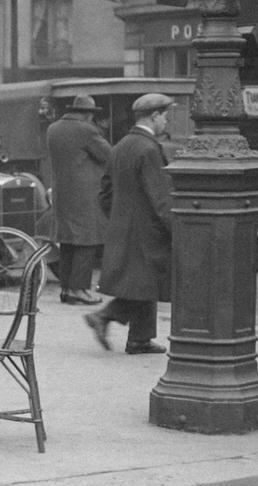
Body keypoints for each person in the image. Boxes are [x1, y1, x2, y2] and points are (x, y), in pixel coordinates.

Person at [84, 93, 175, 356]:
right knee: (146, 282)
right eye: (165, 116)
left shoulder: (122, 145)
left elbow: (105, 193)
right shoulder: (149, 149)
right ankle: (103, 316)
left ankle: (139, 340)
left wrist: (120, 217)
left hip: (125, 228)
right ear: (154, 116)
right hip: (147, 231)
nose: (166, 122)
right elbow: (161, 198)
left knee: (143, 283)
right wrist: (175, 228)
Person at [45, 93, 111, 305]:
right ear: (88, 114)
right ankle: (80, 289)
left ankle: (66, 288)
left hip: (62, 194)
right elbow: (109, 156)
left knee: (67, 242)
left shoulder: (53, 129)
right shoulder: (87, 130)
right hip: (85, 195)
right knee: (86, 242)